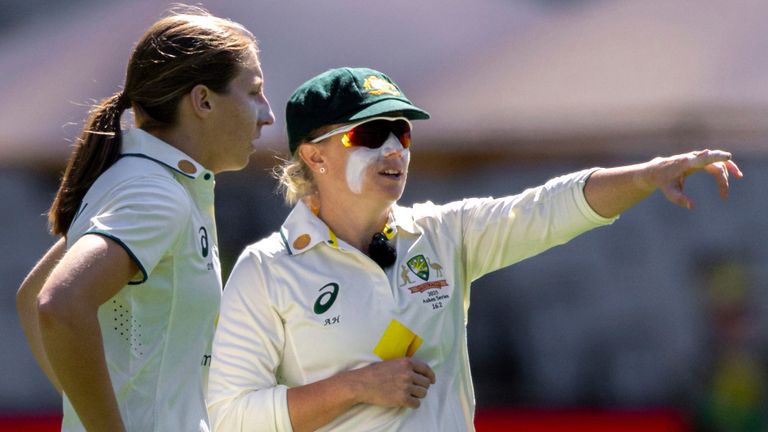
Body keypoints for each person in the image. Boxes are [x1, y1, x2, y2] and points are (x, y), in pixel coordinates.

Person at [206, 67, 742, 432]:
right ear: (313, 156)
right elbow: (229, 417)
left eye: (401, 131)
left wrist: (648, 175)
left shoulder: (441, 234)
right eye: (367, 134)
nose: (393, 146)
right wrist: (354, 387)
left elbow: (547, 208)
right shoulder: (267, 269)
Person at [15, 7, 274, 432]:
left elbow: (34, 296)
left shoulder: (146, 181)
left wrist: (88, 416)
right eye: (254, 92)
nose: (267, 114)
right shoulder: (156, 195)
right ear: (203, 100)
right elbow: (58, 303)